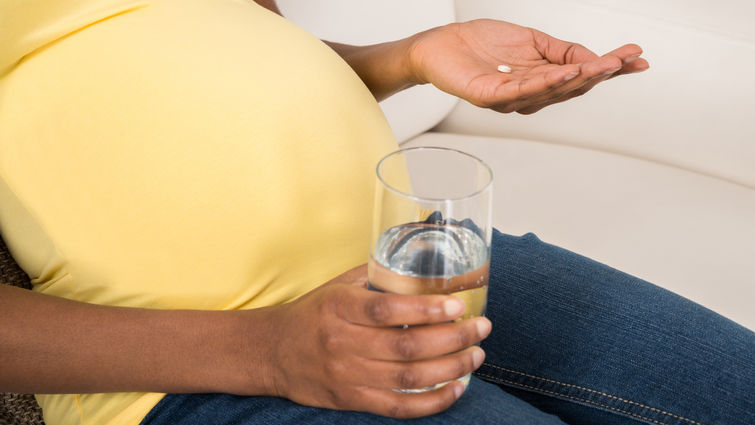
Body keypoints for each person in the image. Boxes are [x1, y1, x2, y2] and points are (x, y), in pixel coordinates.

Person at [0, 0, 752, 424]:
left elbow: (230, 59)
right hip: (196, 363)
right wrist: (267, 350)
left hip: (414, 259)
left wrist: (413, 56)